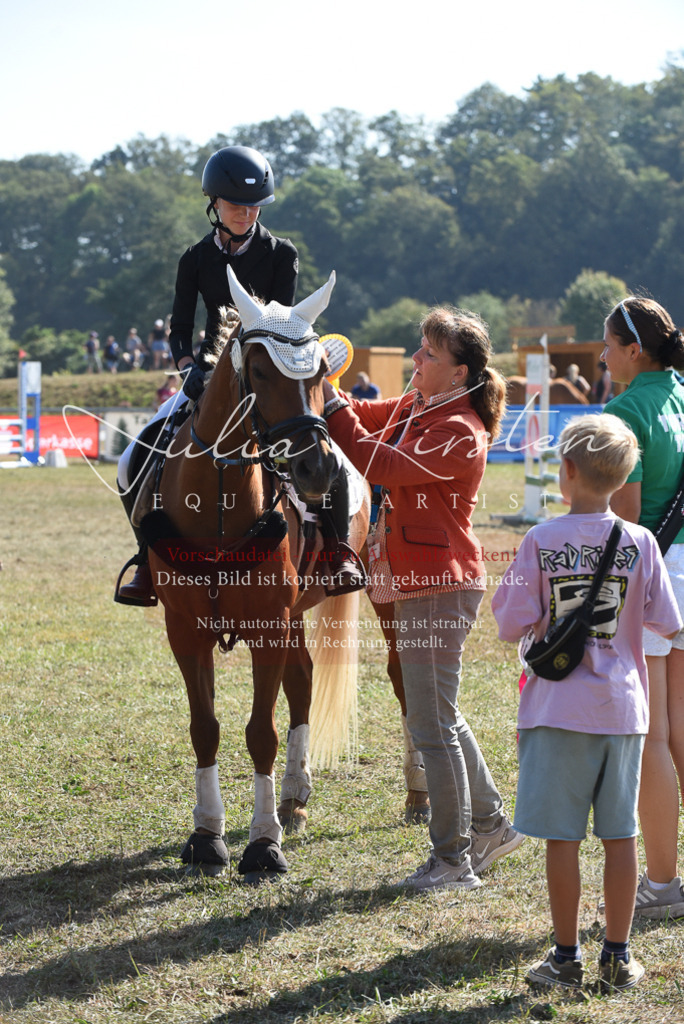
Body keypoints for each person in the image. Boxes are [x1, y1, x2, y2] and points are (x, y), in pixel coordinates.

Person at [324, 306, 524, 889]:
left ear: (459, 372)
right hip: (422, 581)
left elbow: (377, 460)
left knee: (432, 728)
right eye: (420, 347)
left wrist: (328, 401)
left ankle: (453, 860)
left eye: (429, 354)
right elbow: (361, 414)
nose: (416, 358)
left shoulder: (460, 428)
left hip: (440, 584)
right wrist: (320, 381)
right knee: (440, 717)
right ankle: (491, 826)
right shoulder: (419, 405)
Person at [115, 146, 362, 606]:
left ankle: (339, 552)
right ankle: (147, 560)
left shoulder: (281, 253)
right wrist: (187, 368)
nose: (246, 214)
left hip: (273, 371)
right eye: (235, 205)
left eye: (254, 206)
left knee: (327, 454)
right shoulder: (194, 258)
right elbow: (180, 328)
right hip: (210, 371)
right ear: (214, 204)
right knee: (135, 455)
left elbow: (284, 320)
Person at [492, 413, 681, 992]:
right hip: (622, 712)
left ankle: (565, 956)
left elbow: (509, 621)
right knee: (621, 836)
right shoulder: (641, 541)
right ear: (624, 476)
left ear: (567, 469)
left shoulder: (540, 539)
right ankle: (618, 957)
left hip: (556, 710)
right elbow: (667, 622)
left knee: (563, 839)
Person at [602, 296, 684, 920]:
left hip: (654, 574)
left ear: (634, 350)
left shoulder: (625, 410)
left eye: (608, 346)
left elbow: (626, 518)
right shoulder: (681, 393)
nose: (603, 357)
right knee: (680, 729)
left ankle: (661, 885)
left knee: (654, 736)